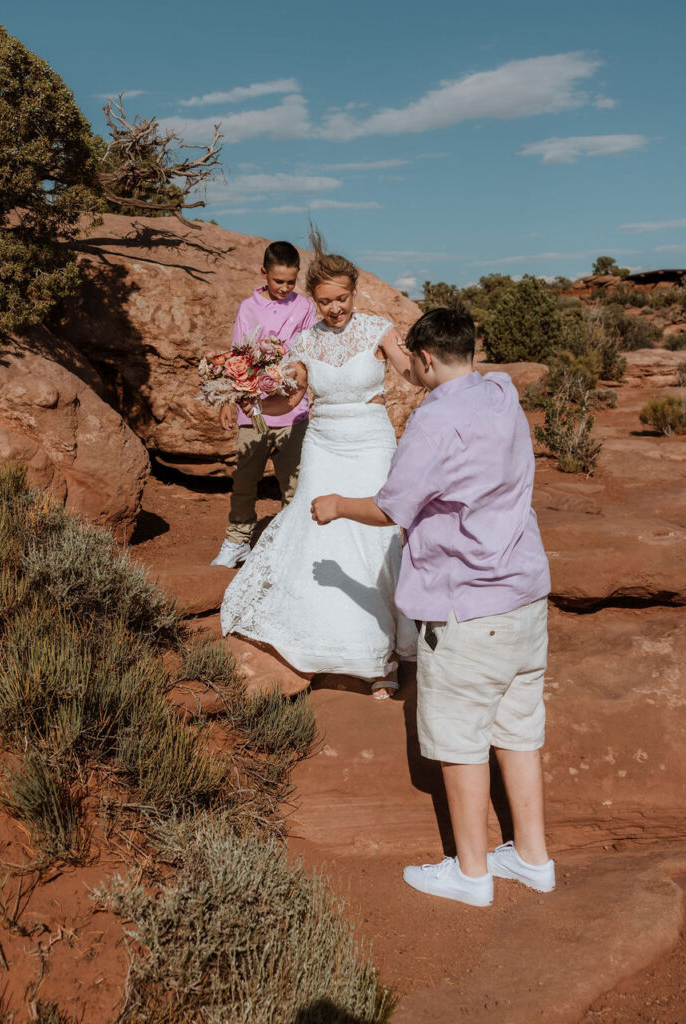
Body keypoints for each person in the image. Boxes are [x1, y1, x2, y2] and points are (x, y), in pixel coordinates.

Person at [310, 307, 554, 905]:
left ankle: (471, 874)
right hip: (523, 593)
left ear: (421, 359)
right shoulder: (501, 391)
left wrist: (338, 503)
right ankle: (532, 857)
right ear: (471, 347)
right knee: (518, 731)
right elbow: (468, 367)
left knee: (459, 740)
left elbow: (393, 506)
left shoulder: (432, 421)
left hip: (465, 602)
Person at [220, 230, 417, 695]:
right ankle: (328, 636)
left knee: (375, 536)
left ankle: (381, 654)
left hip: (371, 441)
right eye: (326, 301)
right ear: (314, 299)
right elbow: (288, 400)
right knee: (319, 532)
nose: (336, 309)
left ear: (354, 293)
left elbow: (413, 373)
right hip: (323, 444)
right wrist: (246, 398)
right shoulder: (304, 342)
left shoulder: (377, 329)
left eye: (343, 298)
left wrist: (433, 354)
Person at [211, 241, 315, 569]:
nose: (284, 287)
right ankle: (237, 541)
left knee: (294, 483)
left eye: (290, 281)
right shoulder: (248, 307)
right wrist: (229, 400)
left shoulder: (305, 307)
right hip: (253, 410)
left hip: (294, 411)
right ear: (263, 273)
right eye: (278, 280)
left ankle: (292, 547)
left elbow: (310, 353)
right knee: (246, 476)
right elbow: (237, 354)